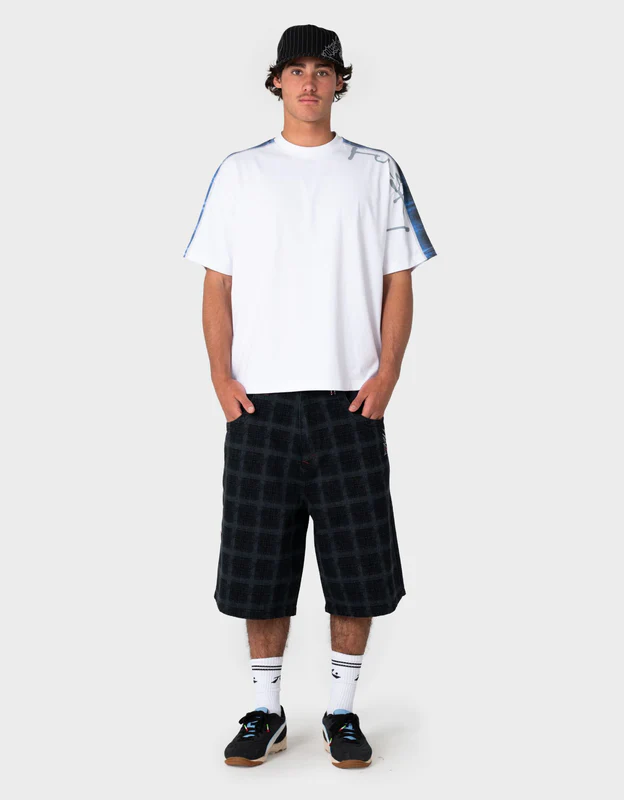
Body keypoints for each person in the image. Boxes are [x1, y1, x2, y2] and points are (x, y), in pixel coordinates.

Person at [182, 23, 437, 769]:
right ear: (275, 82)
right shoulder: (240, 172)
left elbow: (398, 279)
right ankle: (266, 709)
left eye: (322, 71)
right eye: (295, 70)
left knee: (358, 564)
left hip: (349, 401)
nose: (309, 83)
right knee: (258, 564)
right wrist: (221, 378)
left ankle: (342, 709)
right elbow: (217, 283)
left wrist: (387, 374)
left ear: (340, 82)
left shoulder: (376, 170)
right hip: (259, 404)